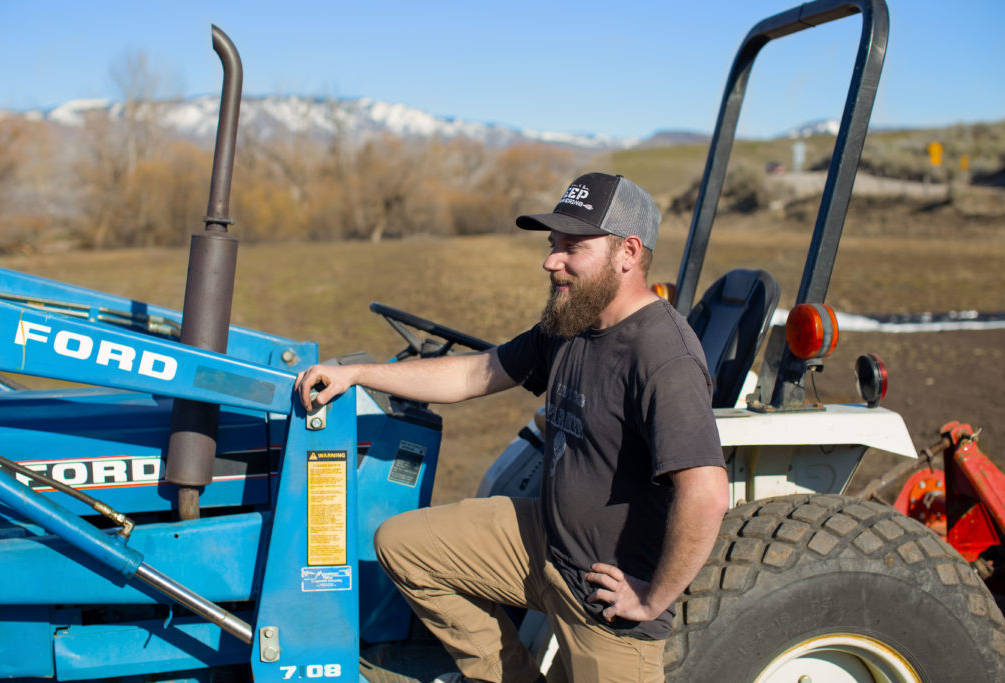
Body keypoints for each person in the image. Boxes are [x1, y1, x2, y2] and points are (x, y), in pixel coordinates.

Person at [294, 172, 729, 683]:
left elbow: (706, 493)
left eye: (572, 247)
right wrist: (357, 375)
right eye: (552, 244)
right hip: (544, 540)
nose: (551, 261)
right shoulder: (573, 323)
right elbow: (475, 373)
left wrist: (652, 596)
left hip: (602, 594)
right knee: (402, 546)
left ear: (628, 252)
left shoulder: (662, 355)